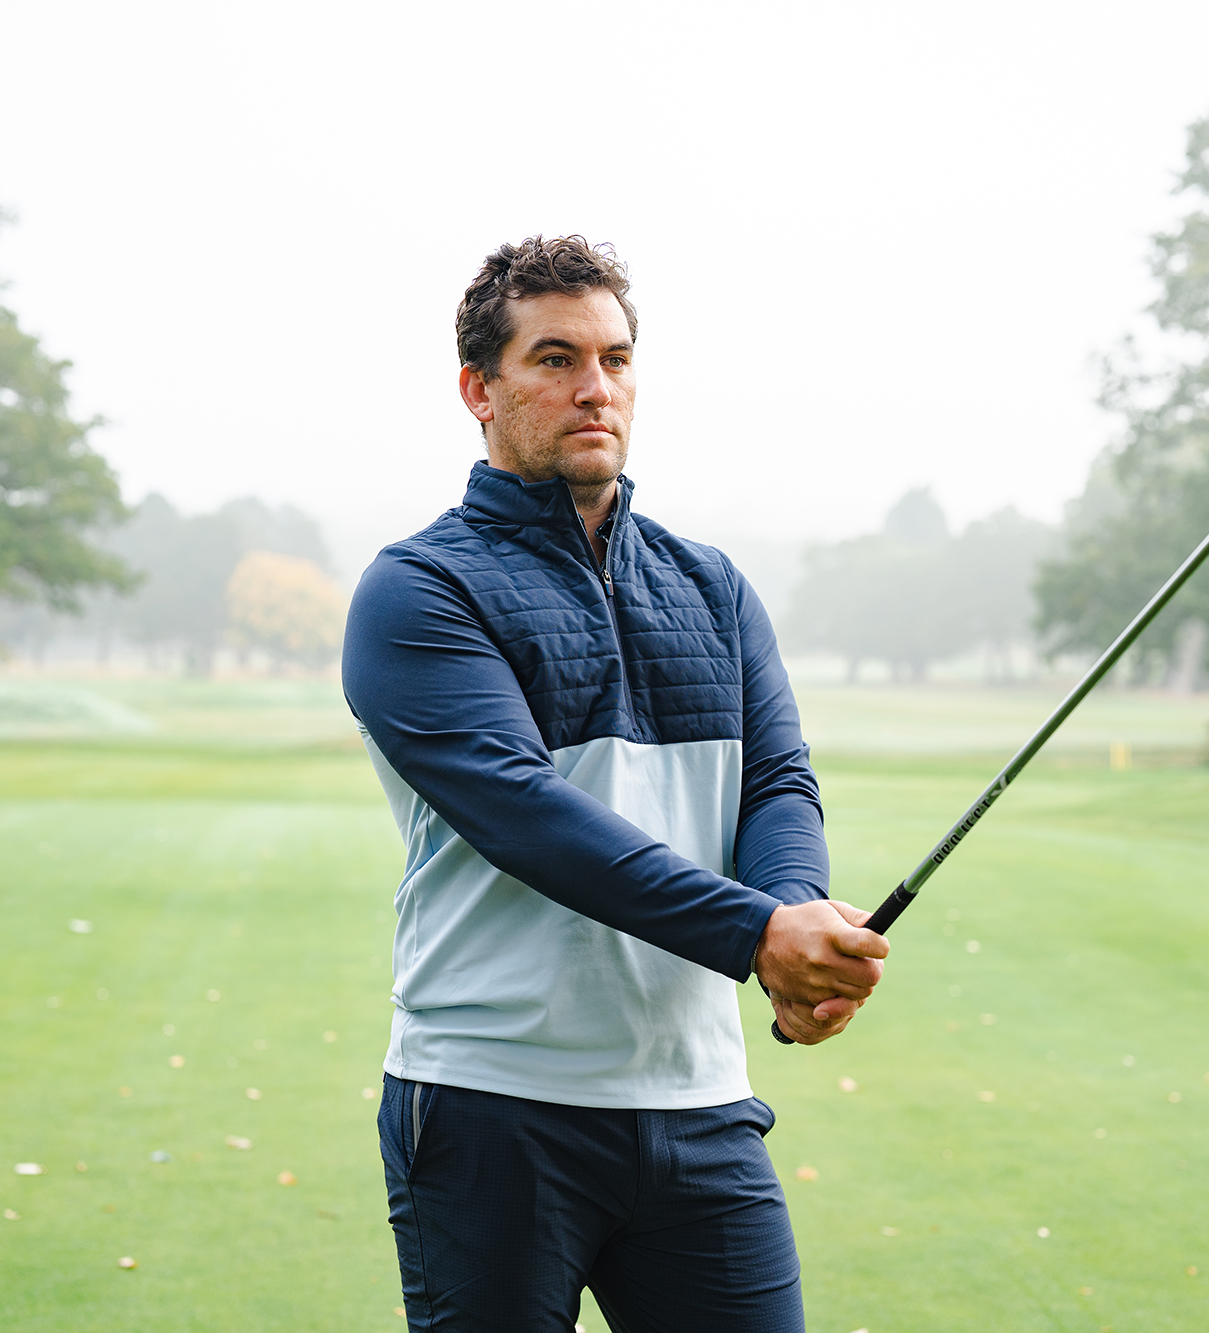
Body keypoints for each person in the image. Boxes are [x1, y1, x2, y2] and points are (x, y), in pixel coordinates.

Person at [343, 234, 890, 1333]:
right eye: (552, 359)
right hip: (493, 1105)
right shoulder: (418, 588)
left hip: (698, 1106)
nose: (595, 387)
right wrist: (754, 941)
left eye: (615, 358)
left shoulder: (711, 585)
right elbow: (529, 818)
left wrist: (793, 923)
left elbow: (775, 784)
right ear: (478, 390)